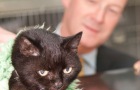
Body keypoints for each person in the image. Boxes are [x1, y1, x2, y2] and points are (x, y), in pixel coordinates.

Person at [0, 0, 140, 76]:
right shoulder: (15, 56)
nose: (99, 18)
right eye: (91, 1)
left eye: (112, 10)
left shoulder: (129, 68)